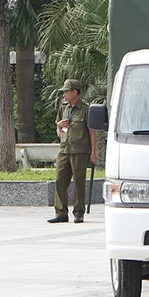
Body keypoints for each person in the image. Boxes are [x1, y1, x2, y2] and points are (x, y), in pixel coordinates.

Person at [50, 79, 98, 224]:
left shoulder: (86, 109)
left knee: (79, 182)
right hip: (64, 149)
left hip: (79, 150)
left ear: (75, 92)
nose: (64, 94)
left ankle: (78, 212)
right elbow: (58, 129)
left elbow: (92, 133)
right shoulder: (63, 107)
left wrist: (94, 153)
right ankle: (61, 212)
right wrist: (59, 126)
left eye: (66, 91)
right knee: (60, 180)